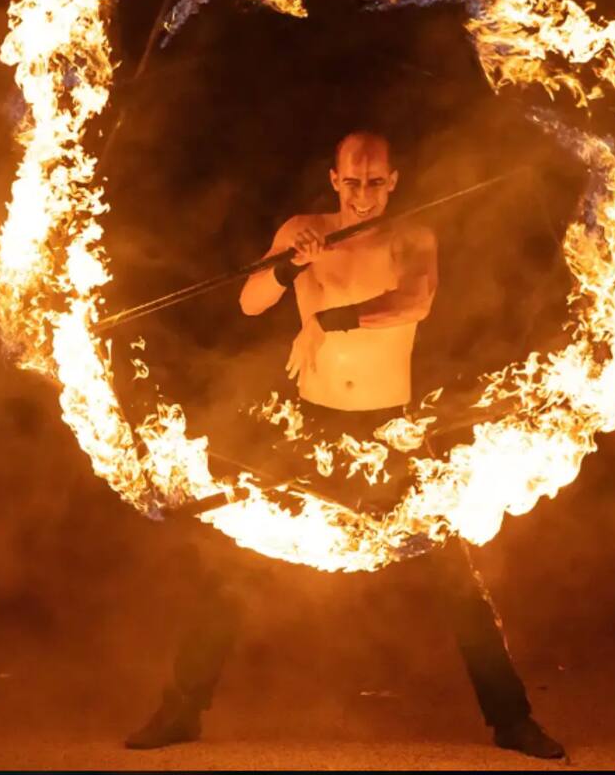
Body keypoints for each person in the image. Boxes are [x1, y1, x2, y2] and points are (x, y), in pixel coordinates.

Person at [125, 131, 564, 759]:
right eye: (352, 182)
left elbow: (414, 302)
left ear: (393, 181)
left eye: (375, 182)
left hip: (389, 431)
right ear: (334, 180)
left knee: (454, 576)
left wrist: (329, 322)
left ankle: (512, 720)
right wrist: (291, 265)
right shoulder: (302, 231)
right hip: (313, 426)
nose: (363, 194)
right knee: (233, 565)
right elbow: (250, 302)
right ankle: (181, 710)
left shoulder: (412, 236)